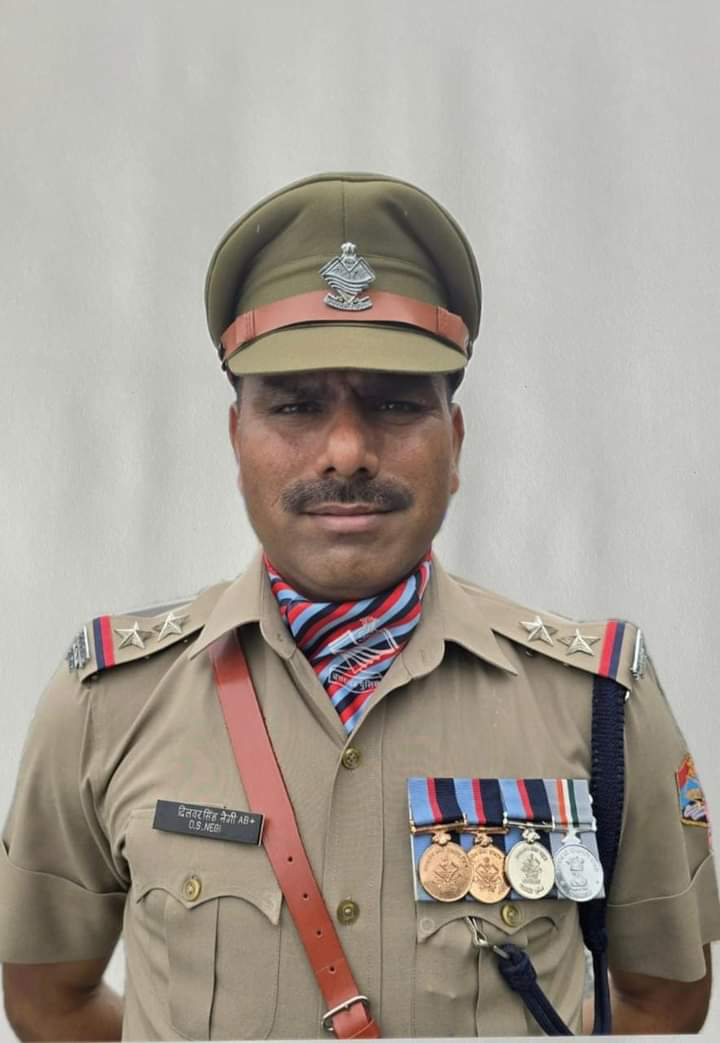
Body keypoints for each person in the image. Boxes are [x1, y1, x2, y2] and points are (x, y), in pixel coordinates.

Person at [1, 171, 719, 1040]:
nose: (346, 450)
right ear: (236, 439)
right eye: (297, 405)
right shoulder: (107, 703)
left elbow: (664, 999)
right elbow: (47, 995)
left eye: (394, 403)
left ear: (455, 443)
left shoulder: (596, 699)